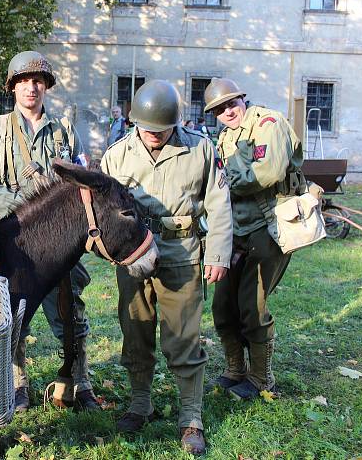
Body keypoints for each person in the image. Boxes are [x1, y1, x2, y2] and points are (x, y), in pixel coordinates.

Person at [101, 80, 232, 455]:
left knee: (183, 339)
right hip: (133, 256)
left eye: (161, 129)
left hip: (181, 253)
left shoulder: (200, 149)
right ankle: (141, 402)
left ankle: (191, 417)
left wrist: (218, 254)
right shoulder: (117, 155)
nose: (153, 135)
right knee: (136, 332)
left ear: (174, 123)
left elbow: (219, 205)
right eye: (146, 128)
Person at [0, 50, 101, 412]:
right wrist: (17, 206)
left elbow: (79, 181)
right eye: (24, 81)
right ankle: (17, 383)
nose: (32, 87)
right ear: (13, 87)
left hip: (60, 243)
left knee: (71, 310)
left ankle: (80, 379)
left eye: (38, 81)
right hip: (15, 242)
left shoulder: (64, 130)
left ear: (46, 87)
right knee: (14, 313)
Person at [203, 78, 303, 401]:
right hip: (236, 230)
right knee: (222, 305)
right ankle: (235, 369)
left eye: (231, 104)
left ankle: (261, 377)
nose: (227, 112)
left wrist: (226, 182)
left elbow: (270, 171)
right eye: (219, 109)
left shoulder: (268, 124)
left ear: (242, 100)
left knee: (252, 304)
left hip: (269, 226)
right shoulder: (224, 138)